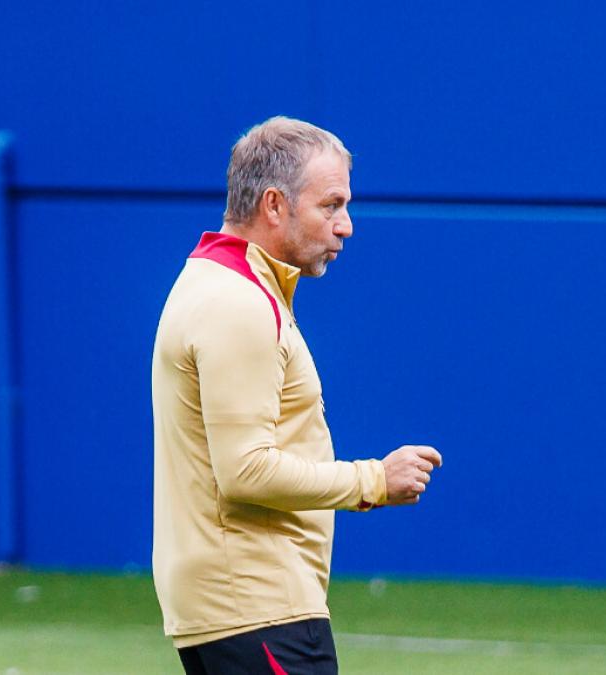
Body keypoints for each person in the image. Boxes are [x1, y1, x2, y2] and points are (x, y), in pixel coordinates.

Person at [151, 116, 442, 674]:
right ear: (274, 205)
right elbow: (246, 472)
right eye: (330, 206)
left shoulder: (218, 284)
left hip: (241, 604)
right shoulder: (236, 303)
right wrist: (374, 480)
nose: (346, 226)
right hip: (258, 607)